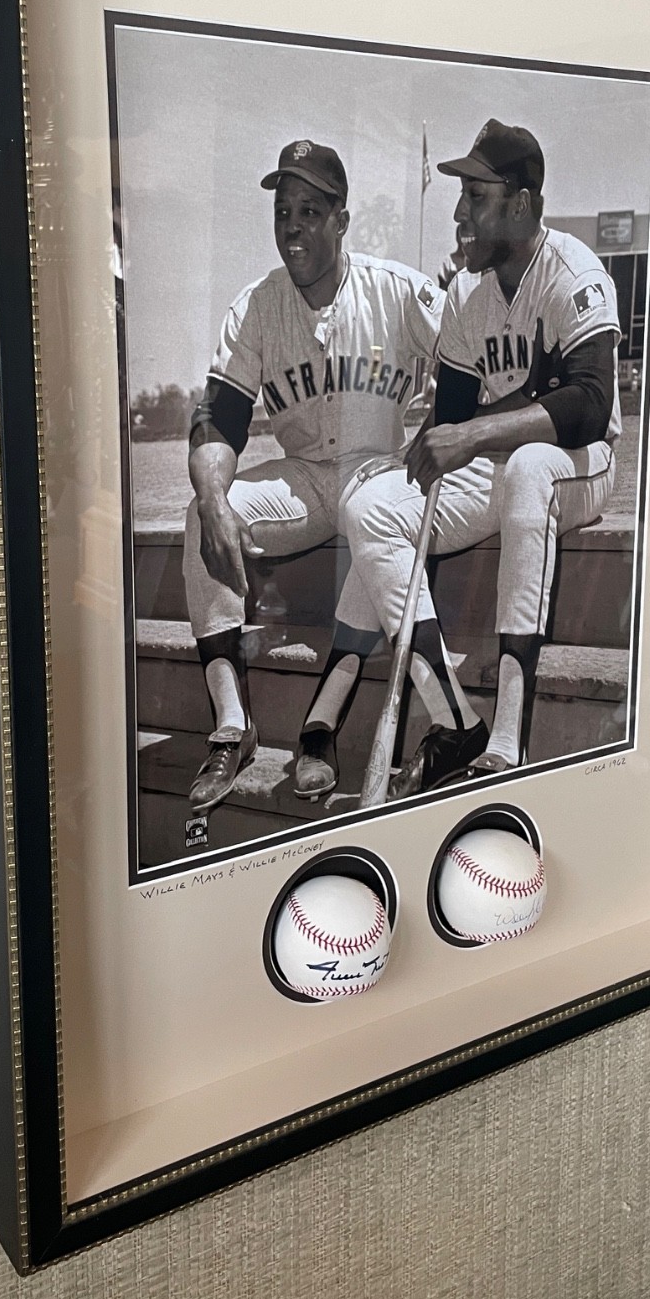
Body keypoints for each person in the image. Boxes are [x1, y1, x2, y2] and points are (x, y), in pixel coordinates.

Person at [336, 118, 622, 797]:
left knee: (528, 467)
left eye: (476, 196)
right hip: (501, 467)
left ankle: (508, 738)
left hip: (579, 467)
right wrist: (415, 452)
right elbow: (454, 418)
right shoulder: (469, 293)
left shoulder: (573, 271)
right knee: (368, 506)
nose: (460, 213)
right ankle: (455, 719)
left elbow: (588, 405)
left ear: (520, 203)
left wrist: (468, 435)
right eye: (461, 197)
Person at [183, 138, 443, 808]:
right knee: (204, 509)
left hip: (376, 471)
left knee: (374, 508)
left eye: (309, 211)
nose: (292, 228)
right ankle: (231, 726)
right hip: (303, 477)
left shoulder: (397, 291)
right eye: (283, 212)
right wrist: (214, 497)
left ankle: (320, 724)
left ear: (341, 221)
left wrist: (448, 420)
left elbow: (468, 357)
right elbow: (219, 419)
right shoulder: (257, 307)